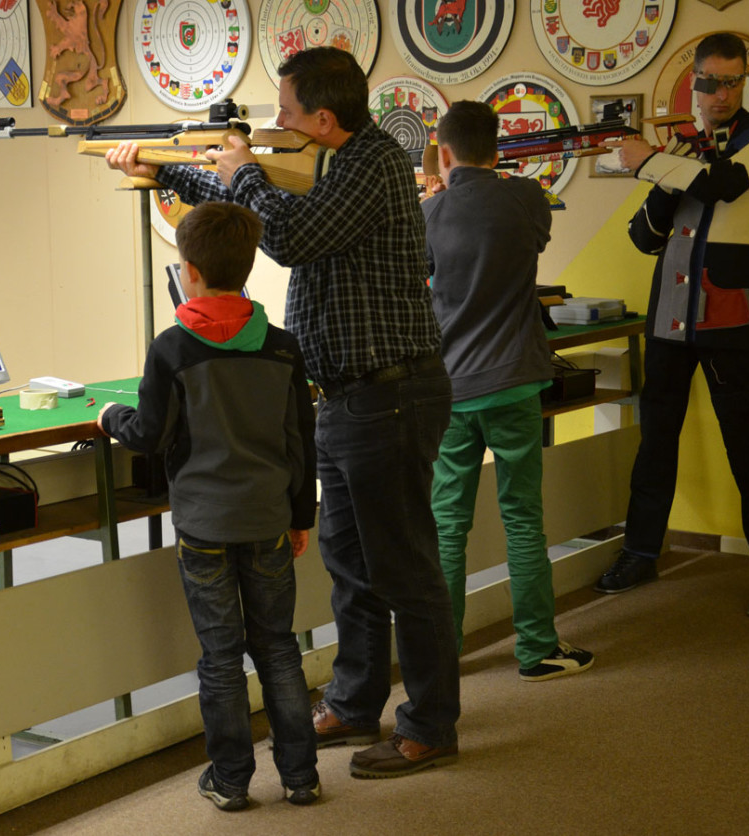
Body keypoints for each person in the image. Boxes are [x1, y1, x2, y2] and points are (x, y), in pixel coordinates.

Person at [105, 46, 460, 779]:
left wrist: (241, 171)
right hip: (348, 398)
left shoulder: (371, 164)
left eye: (287, 110)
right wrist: (163, 169)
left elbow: (289, 235)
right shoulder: (331, 162)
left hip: (388, 394)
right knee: (350, 568)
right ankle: (356, 703)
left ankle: (429, 724)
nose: (276, 121)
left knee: (405, 570)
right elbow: (255, 205)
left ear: (323, 119)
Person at [96, 202, 320, 811]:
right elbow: (300, 438)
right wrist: (302, 515)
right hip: (269, 518)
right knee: (278, 647)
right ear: (247, 266)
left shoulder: (171, 348)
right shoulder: (281, 347)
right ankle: (301, 775)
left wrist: (109, 417)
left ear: (188, 271)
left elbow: (149, 433)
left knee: (221, 657)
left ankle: (231, 780)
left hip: (204, 525)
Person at [597, 32, 749, 617]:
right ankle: (640, 551)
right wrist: (664, 171)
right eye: (711, 82)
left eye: (733, 82)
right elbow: (643, 237)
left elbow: (722, 185)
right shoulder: (682, 148)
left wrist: (649, 161)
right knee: (656, 441)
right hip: (669, 316)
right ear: (695, 83)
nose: (722, 94)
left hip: (732, 318)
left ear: (745, 83)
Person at [422, 100, 594, 681]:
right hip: (514, 382)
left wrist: (436, 200)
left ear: (444, 153)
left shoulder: (428, 213)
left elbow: (426, 273)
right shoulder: (525, 198)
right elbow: (532, 232)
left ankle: (442, 654)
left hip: (452, 389)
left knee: (448, 526)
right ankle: (538, 649)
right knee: (523, 520)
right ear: (497, 150)